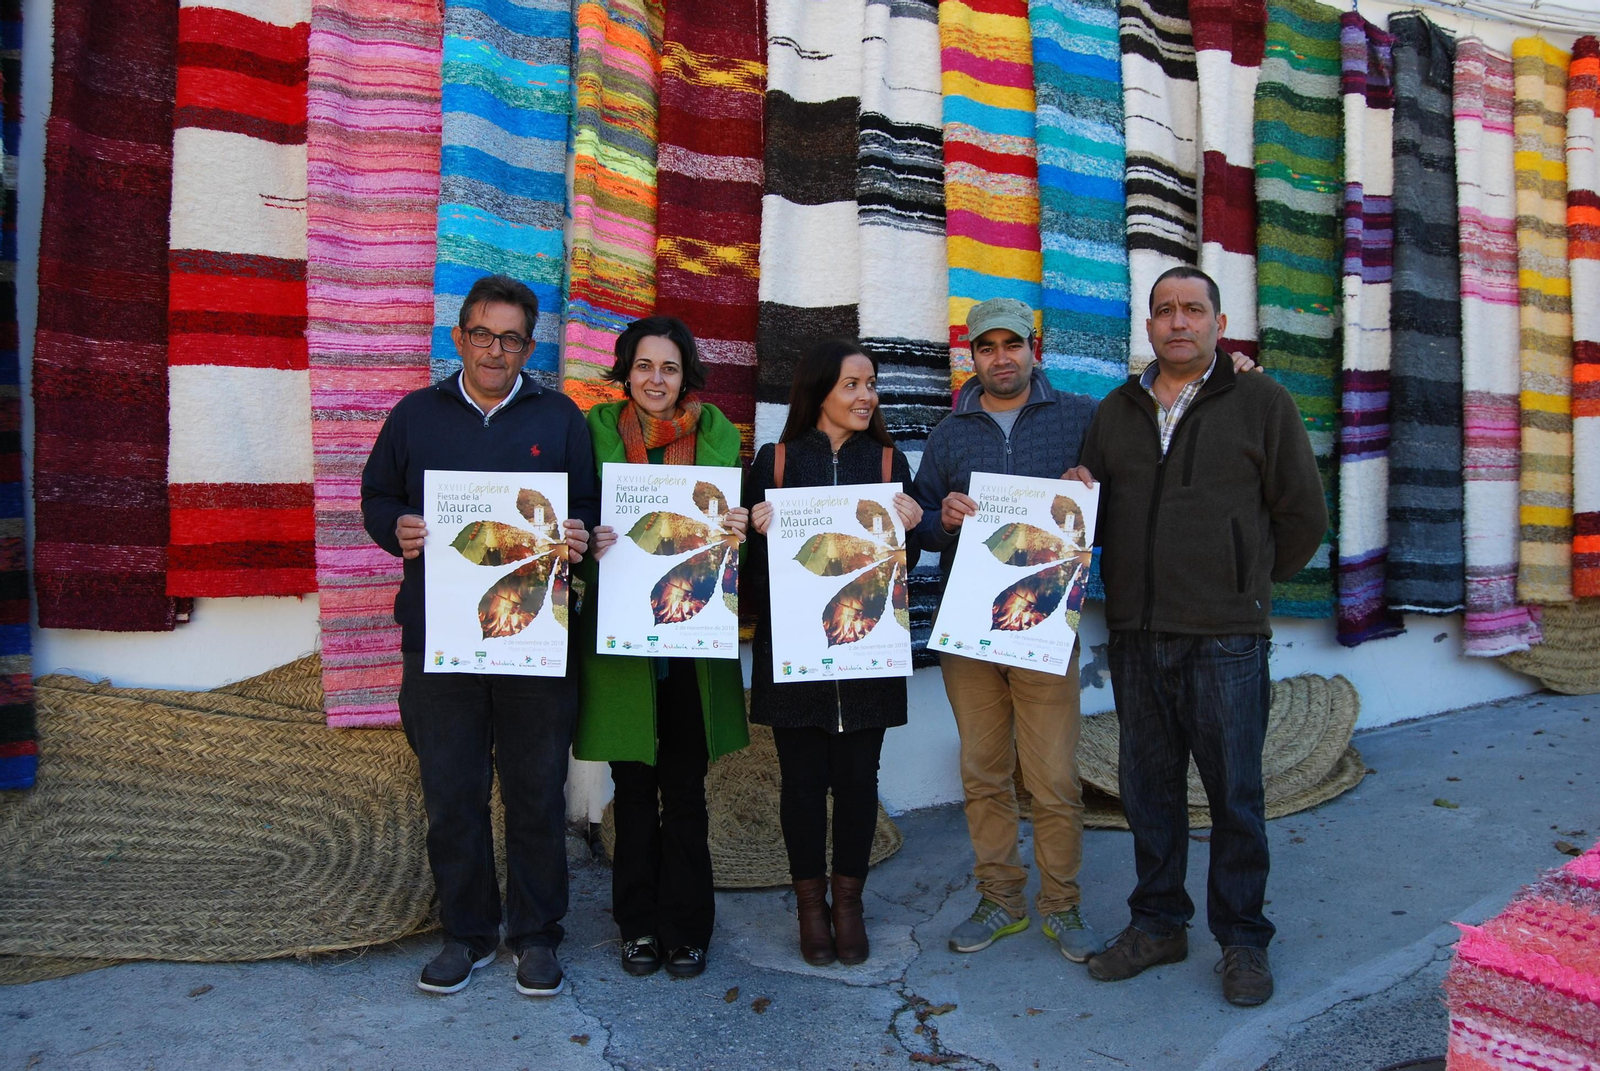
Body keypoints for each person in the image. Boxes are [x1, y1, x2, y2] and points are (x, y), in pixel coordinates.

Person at [1069, 265, 1326, 1007]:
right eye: (1164, 311)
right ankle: (1158, 924)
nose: (1178, 321)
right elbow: (1095, 505)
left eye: (1193, 309)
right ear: (1147, 327)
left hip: (1225, 637)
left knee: (1235, 793)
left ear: (1217, 322)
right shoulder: (1116, 410)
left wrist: (1243, 581)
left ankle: (1243, 939)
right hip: (1138, 634)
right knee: (1148, 791)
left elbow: (1302, 514)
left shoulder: (1261, 400)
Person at [361, 274, 600, 998]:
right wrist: (394, 526)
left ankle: (535, 936)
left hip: (537, 640)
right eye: (483, 334)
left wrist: (579, 535)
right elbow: (377, 495)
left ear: (531, 345)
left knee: (535, 792)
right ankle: (466, 932)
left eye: (512, 338)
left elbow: (585, 512)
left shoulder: (560, 418)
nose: (496, 350)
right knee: (453, 791)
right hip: (439, 641)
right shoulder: (414, 416)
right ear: (459, 336)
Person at [910, 297, 1103, 963]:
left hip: (1048, 623)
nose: (1001, 357)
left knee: (1052, 776)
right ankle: (1000, 897)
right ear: (973, 356)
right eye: (987, 347)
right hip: (970, 628)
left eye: (1011, 345)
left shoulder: (1079, 415)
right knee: (984, 771)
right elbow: (923, 520)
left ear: (1033, 348)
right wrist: (946, 517)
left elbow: (1120, 489)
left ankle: (1063, 903)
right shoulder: (949, 431)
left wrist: (1090, 483)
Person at [577, 316, 751, 980]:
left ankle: (686, 927)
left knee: (684, 788)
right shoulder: (594, 432)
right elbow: (579, 510)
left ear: (687, 376)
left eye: (670, 367)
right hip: (623, 639)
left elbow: (735, 531)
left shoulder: (717, 436)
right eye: (645, 366)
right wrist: (590, 537)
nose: (656, 379)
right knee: (632, 783)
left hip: (691, 639)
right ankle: (637, 924)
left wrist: (737, 527)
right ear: (626, 371)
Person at [745, 340, 924, 967]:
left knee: (856, 783)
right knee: (800, 785)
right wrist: (757, 534)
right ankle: (809, 907)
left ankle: (849, 904)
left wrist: (915, 521)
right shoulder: (776, 461)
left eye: (870, 384)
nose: (866, 396)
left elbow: (910, 560)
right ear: (819, 390)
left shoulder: (889, 463)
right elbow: (742, 570)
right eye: (852, 384)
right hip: (797, 652)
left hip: (868, 655)